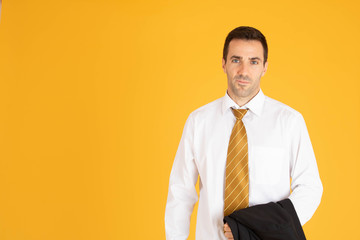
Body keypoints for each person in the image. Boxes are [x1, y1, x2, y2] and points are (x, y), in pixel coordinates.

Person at [165, 26, 323, 240]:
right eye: (236, 60)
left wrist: (262, 229)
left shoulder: (289, 121)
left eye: (254, 61)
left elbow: (310, 188)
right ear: (224, 64)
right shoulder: (198, 121)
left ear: (265, 67)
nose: (244, 71)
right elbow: (180, 192)